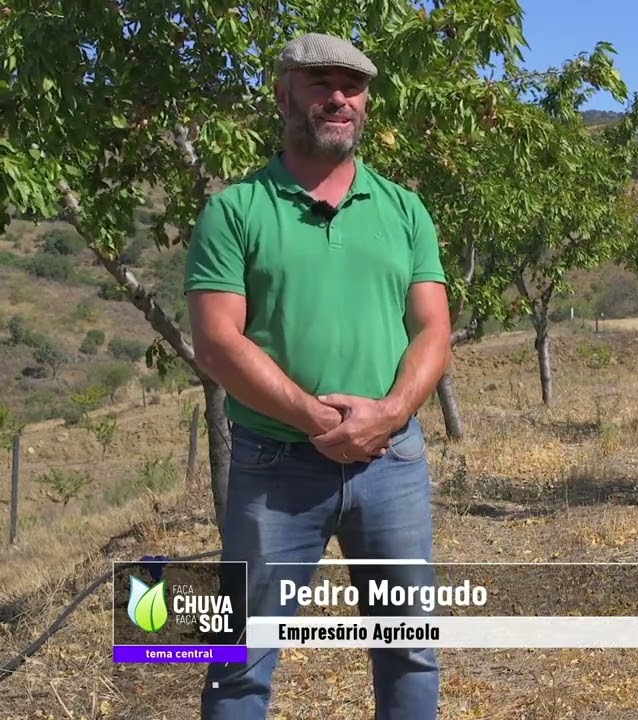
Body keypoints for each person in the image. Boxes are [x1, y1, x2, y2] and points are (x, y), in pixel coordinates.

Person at [184, 32, 452, 720]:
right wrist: (318, 419)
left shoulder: (405, 209)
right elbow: (216, 342)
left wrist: (390, 413)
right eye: (319, 83)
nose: (338, 98)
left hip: (392, 462)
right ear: (284, 97)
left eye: (352, 87)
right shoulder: (235, 211)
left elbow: (433, 330)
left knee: (410, 647)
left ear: (366, 105)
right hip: (275, 464)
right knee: (239, 660)